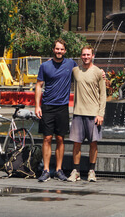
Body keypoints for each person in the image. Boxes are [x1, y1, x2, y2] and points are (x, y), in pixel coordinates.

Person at [35, 39, 77, 182]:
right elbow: (39, 85)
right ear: (53, 50)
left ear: (65, 51)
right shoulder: (45, 66)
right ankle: (46, 170)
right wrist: (37, 106)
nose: (59, 51)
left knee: (60, 138)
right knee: (47, 138)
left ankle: (59, 170)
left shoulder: (71, 64)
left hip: (62, 107)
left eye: (62, 49)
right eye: (57, 49)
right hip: (47, 106)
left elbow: (84, 70)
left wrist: (101, 72)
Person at [68, 45, 106, 182]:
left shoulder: (98, 72)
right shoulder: (75, 70)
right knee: (76, 144)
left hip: (93, 114)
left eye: (88, 55)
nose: (85, 57)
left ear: (93, 56)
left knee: (93, 144)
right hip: (78, 113)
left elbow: (103, 94)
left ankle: (91, 171)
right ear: (81, 56)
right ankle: (76, 171)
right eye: (83, 55)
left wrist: (100, 113)